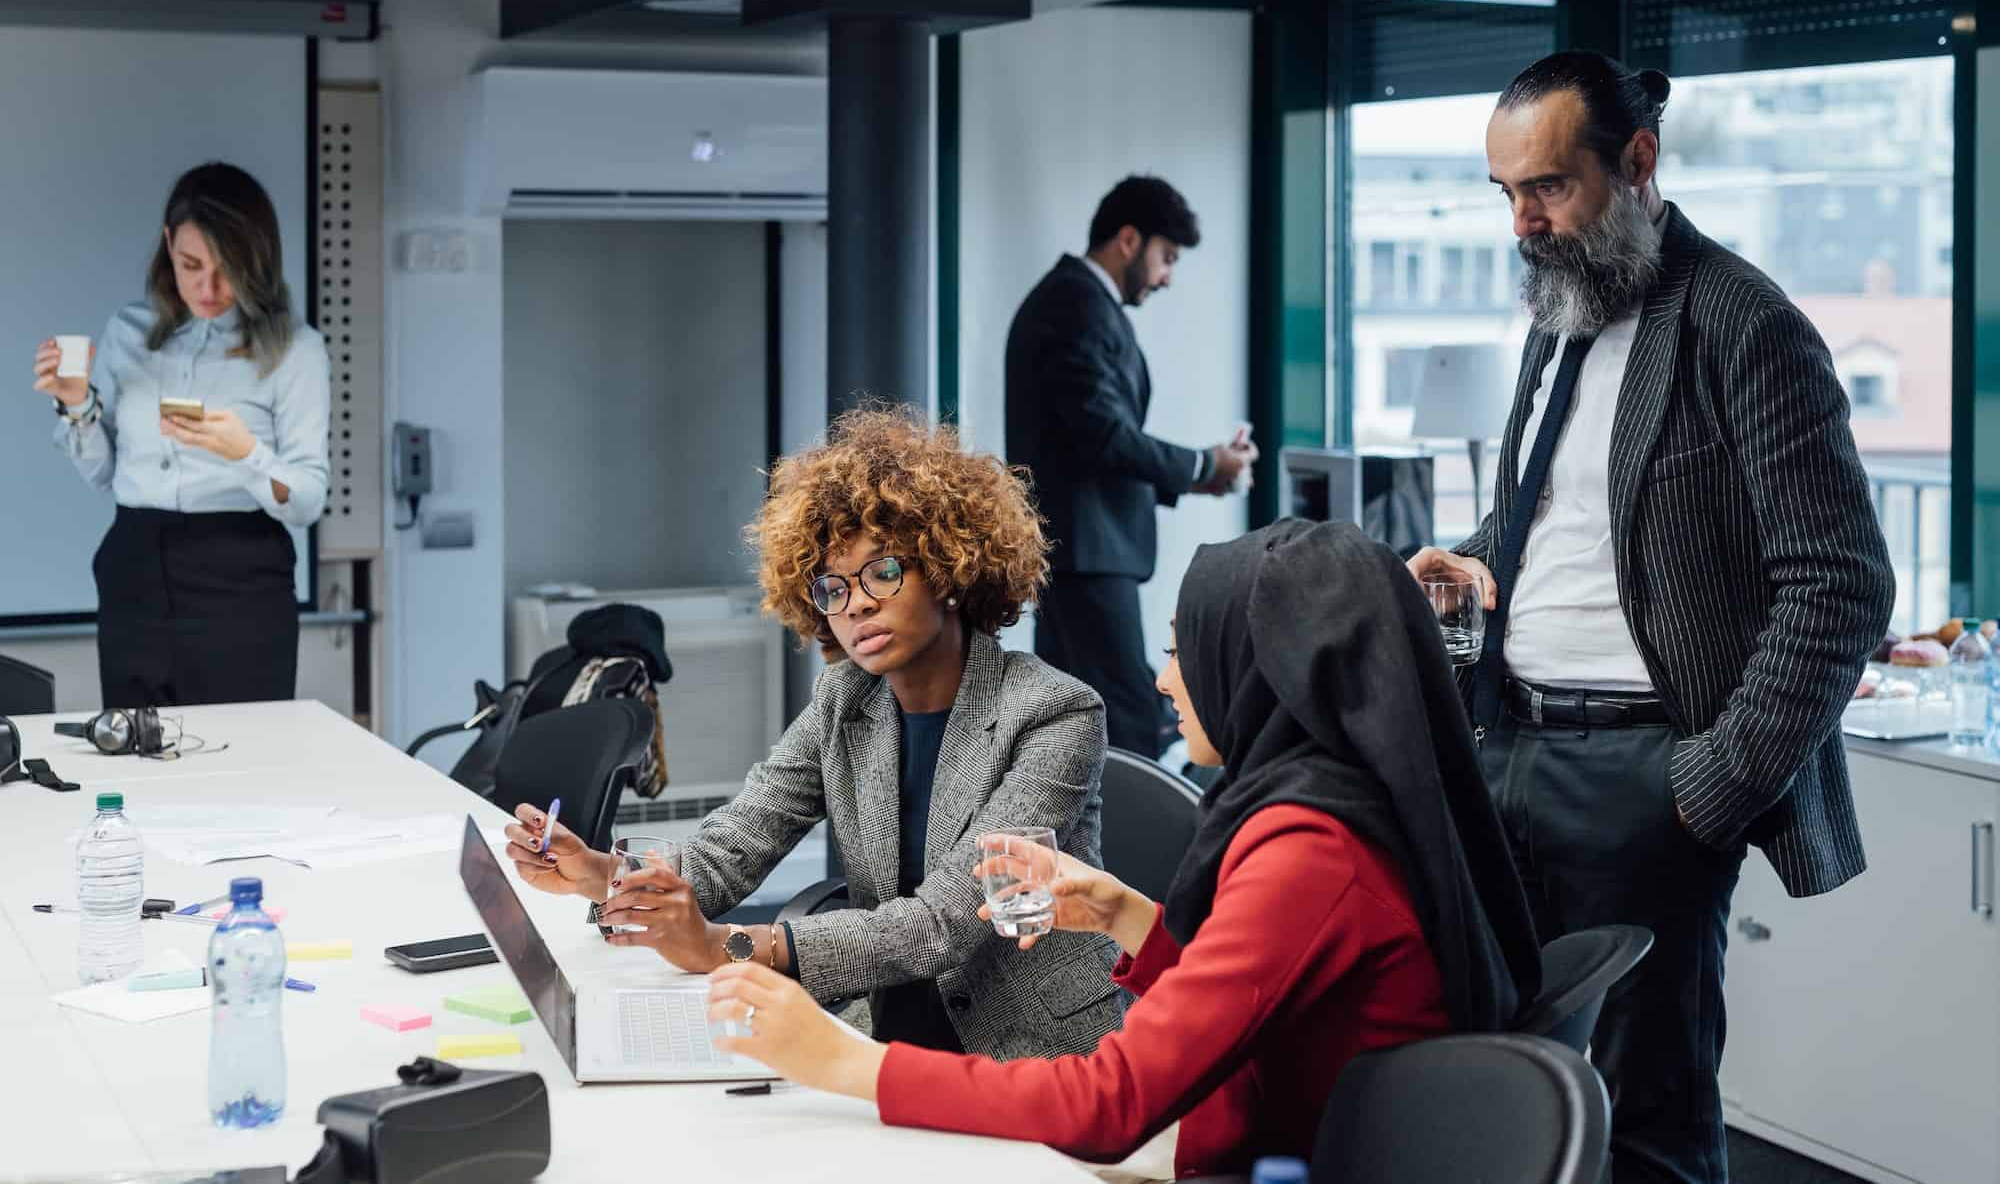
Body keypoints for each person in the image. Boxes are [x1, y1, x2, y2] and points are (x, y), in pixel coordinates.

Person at [704, 520, 1542, 1179]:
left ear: (1256, 667)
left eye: (1185, 647)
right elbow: (1266, 994)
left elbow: (1112, 1102)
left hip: (1271, 1158)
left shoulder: (1306, 851)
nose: (1166, 679)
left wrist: (842, 1060)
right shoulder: (1328, 801)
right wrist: (1124, 911)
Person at [1407, 52, 1894, 1183]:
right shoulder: (1560, 308)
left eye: (1547, 187)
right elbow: (1553, 528)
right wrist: (1472, 564)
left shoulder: (1743, 324)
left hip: (1644, 774)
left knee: (1645, 1121)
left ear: (1635, 163)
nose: (1523, 221)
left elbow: (1840, 583)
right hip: (1506, 751)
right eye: (1505, 195)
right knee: (1498, 1083)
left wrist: (1709, 784)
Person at [504, 407, 1126, 1058]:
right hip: (888, 1033)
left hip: (1034, 1053)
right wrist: (604, 874)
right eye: (833, 586)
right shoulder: (846, 697)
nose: (856, 603)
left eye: (884, 572)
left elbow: (940, 926)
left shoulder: (1054, 712)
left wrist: (726, 945)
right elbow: (736, 842)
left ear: (947, 568)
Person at [32, 162, 330, 707]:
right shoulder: (128, 333)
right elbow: (103, 473)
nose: (208, 287)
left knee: (242, 763)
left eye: (227, 269)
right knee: (135, 753)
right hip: (135, 565)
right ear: (168, 245)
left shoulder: (296, 349)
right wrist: (77, 404)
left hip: (240, 575)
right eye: (191, 264)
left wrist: (247, 454)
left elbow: (309, 499)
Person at [1005, 176, 1258, 760]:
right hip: (1086, 558)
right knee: (1128, 722)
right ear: (1127, 239)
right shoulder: (1073, 305)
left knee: (1081, 723)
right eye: (1166, 257)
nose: (1168, 275)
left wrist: (1204, 473)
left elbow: (1092, 442)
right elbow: (1103, 436)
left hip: (1082, 555)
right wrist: (1202, 462)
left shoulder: (1077, 302)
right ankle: (1135, 851)